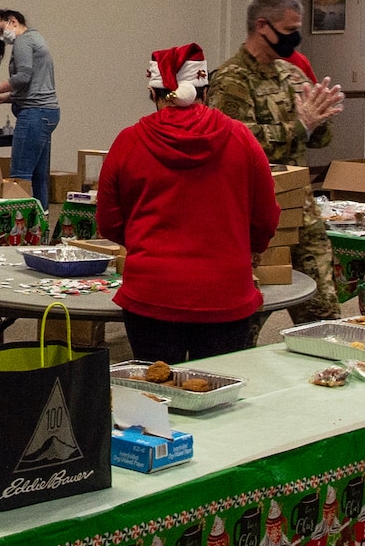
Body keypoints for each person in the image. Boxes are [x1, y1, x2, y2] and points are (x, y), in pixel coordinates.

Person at [97, 44, 279, 364]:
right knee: (220, 400)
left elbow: (109, 221)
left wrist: (146, 244)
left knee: (154, 399)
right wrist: (243, 247)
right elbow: (265, 217)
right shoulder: (243, 140)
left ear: (154, 95)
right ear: (206, 92)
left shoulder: (127, 142)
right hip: (226, 294)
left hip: (151, 293)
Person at [208, 0, 347, 325]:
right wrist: (301, 125)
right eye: (288, 31)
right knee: (251, 310)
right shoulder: (232, 80)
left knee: (323, 308)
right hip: (253, 213)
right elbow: (234, 143)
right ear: (262, 27)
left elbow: (319, 139)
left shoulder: (292, 75)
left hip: (300, 208)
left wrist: (321, 119)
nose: (295, 38)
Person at [0, 10, 59, 207]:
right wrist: (1, 98)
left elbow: (23, 77)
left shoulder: (23, 42)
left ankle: (21, 232)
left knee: (20, 177)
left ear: (13, 21)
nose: (2, 36)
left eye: (2, 30)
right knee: (39, 177)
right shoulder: (37, 38)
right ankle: (39, 231)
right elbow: (31, 88)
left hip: (33, 114)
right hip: (48, 113)